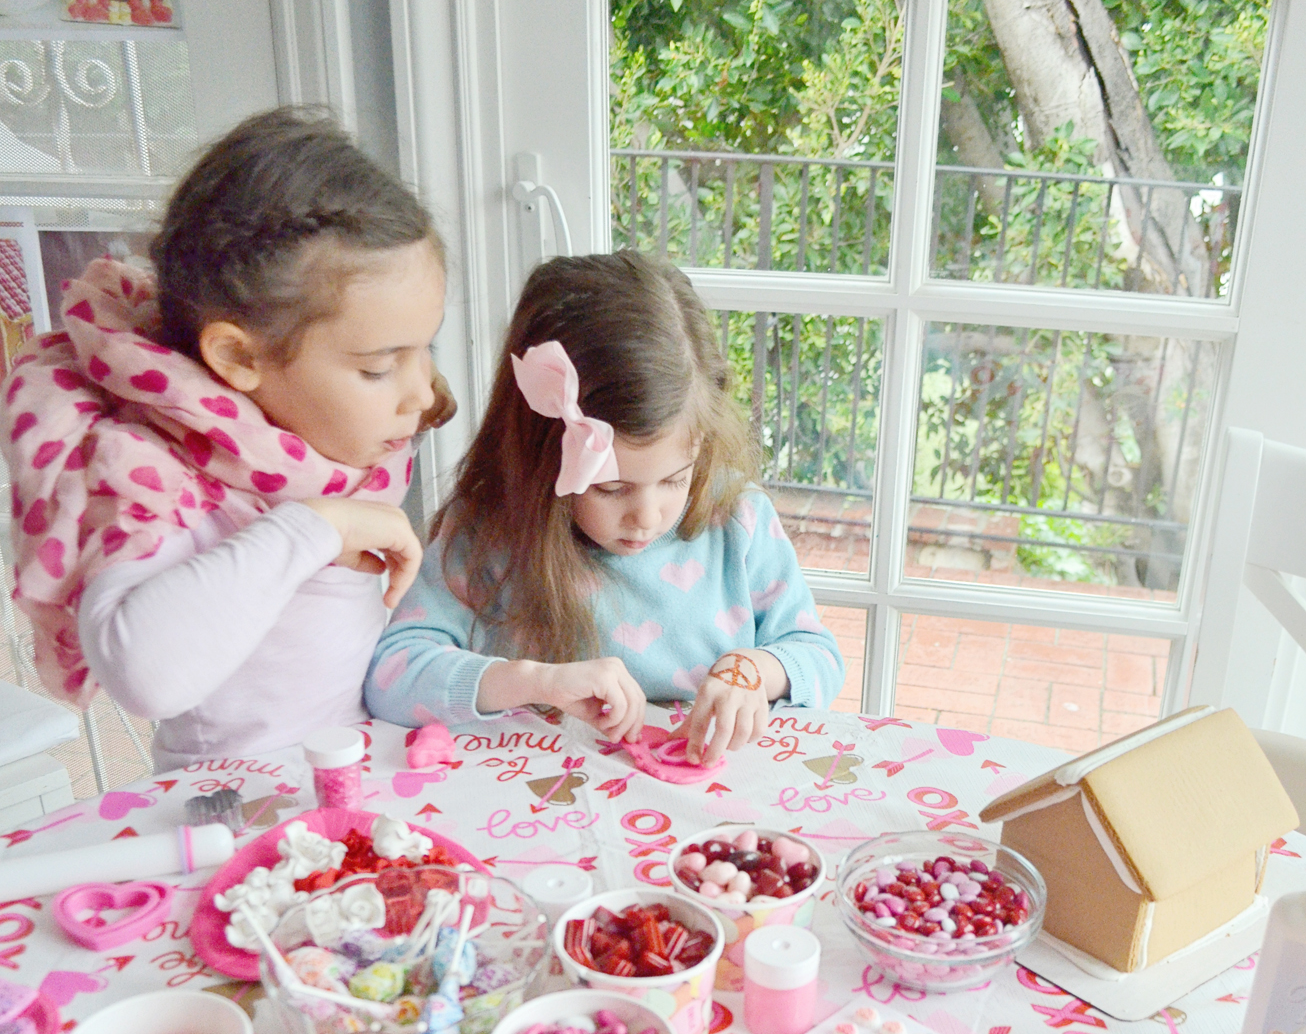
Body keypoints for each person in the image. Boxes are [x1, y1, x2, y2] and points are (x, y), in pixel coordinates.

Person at [2, 107, 454, 769]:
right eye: (379, 367)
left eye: (426, 349)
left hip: (349, 773)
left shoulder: (331, 446)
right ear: (240, 359)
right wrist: (315, 526)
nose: (421, 392)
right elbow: (144, 676)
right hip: (230, 808)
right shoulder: (156, 469)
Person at [364, 250, 843, 763]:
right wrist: (533, 681)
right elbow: (392, 676)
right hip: (538, 814)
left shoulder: (736, 520)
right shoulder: (489, 534)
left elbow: (818, 656)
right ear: (540, 460)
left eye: (673, 480)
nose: (649, 516)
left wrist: (754, 671)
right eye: (611, 489)